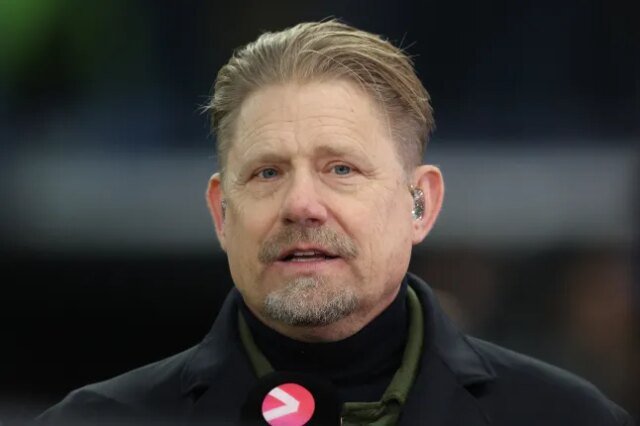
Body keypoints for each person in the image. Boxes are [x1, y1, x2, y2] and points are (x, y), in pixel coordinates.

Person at [38, 20, 633, 426]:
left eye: (341, 169)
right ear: (221, 212)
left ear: (420, 203)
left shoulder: (566, 417)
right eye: (267, 173)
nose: (301, 203)